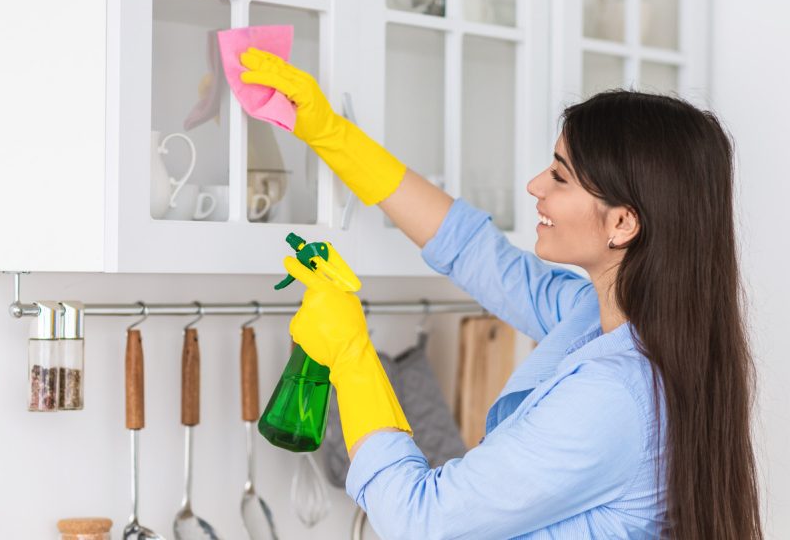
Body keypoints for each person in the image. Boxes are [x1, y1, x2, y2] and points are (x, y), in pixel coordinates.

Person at [239, 48, 763, 539]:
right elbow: (474, 252)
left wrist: (352, 356)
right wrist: (330, 133)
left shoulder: (614, 398)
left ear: (623, 223)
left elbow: (419, 519)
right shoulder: (606, 320)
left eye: (560, 175)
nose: (536, 185)